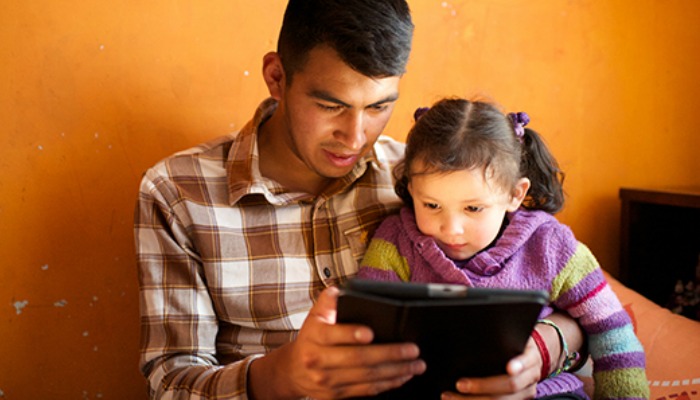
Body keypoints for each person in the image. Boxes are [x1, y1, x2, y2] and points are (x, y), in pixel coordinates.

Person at [134, 1, 585, 398]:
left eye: (377, 107)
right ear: (277, 76)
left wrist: (540, 353)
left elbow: (578, 302)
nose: (355, 137)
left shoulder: (428, 182)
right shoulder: (178, 192)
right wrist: (282, 377)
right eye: (331, 106)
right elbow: (169, 383)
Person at [357, 98, 650, 399]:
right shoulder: (395, 241)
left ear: (515, 194)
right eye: (431, 205)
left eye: (473, 208)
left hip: (544, 393)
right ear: (411, 189)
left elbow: (612, 329)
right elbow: (370, 328)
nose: (451, 228)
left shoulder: (551, 245)